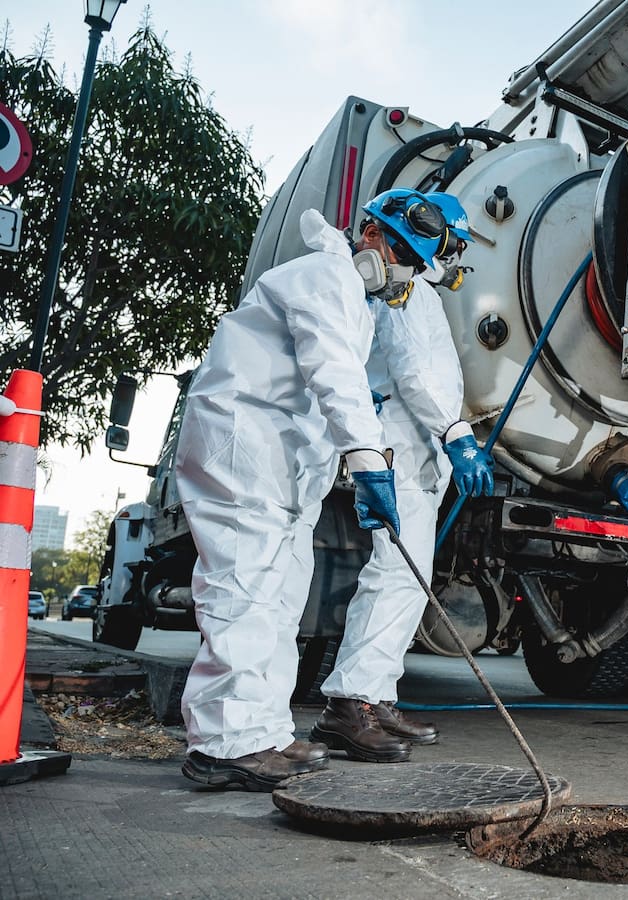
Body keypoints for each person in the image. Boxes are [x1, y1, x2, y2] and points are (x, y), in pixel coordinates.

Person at [176, 188, 453, 790]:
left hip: (278, 466)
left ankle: (262, 732)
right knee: (246, 591)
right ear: (371, 236)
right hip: (242, 450)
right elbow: (336, 375)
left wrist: (353, 463)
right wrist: (371, 461)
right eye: (401, 251)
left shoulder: (351, 295)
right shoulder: (326, 276)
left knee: (278, 597)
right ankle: (224, 744)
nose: (403, 271)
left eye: (415, 263)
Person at [312, 190, 493, 762]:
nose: (453, 255)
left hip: (419, 457)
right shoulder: (406, 291)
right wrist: (457, 435)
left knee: (406, 583)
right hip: (406, 450)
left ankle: (375, 698)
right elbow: (415, 373)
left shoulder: (420, 292)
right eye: (452, 243)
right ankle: (350, 704)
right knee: (393, 578)